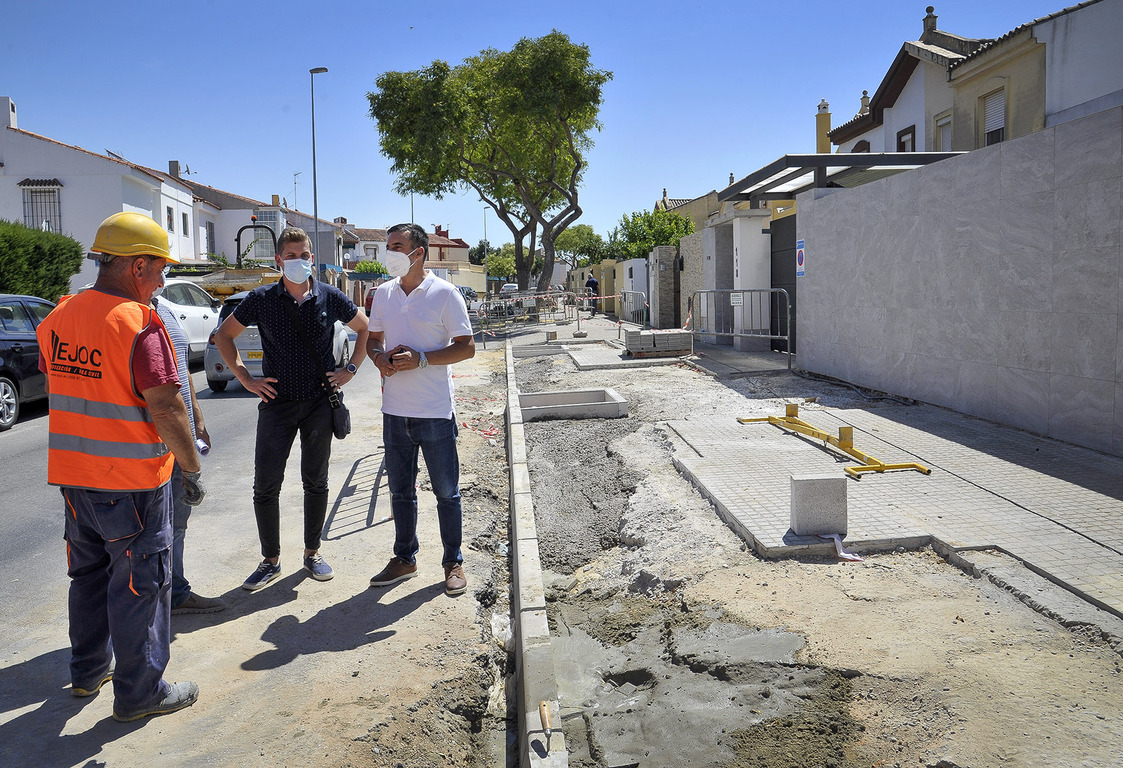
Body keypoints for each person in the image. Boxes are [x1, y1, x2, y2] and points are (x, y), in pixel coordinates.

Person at [36, 211, 200, 722]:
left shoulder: (59, 315)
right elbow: (167, 406)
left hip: (74, 477)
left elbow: (62, 379)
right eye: (161, 269)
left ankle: (87, 672)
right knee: (139, 585)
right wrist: (190, 467)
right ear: (137, 266)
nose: (162, 280)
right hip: (131, 483)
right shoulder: (139, 322)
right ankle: (139, 693)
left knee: (86, 576)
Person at [214, 226, 368, 590]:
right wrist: (247, 379)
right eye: (292, 256)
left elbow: (366, 329)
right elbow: (223, 336)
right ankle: (270, 560)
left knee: (316, 482)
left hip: (318, 403)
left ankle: (312, 553)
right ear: (279, 260)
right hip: (276, 405)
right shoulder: (262, 298)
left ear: (311, 257)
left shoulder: (329, 296)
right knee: (266, 484)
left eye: (305, 255)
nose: (299, 262)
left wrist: (350, 370)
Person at [366, 223, 476, 596]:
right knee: (400, 492)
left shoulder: (445, 294)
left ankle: (453, 562)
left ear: (419, 252)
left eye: (396, 246)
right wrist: (379, 358)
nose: (389, 253)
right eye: (388, 246)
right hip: (394, 410)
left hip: (434, 411)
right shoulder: (382, 294)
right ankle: (405, 558)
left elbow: (467, 346)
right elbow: (373, 339)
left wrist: (424, 360)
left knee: (447, 492)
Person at [152, 295, 225, 615]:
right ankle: (149, 600)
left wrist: (196, 420)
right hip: (152, 442)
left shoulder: (163, 308)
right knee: (152, 528)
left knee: (177, 522)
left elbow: (181, 371)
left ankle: (176, 592)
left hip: (180, 435)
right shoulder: (131, 314)